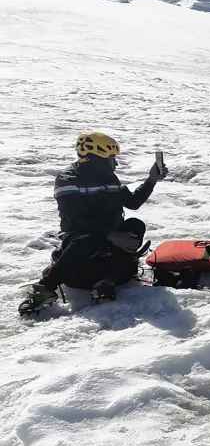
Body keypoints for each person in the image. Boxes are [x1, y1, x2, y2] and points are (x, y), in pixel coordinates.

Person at [18, 132, 167, 315]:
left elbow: (133, 202)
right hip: (81, 242)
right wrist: (109, 235)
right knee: (85, 239)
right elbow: (75, 221)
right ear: (95, 159)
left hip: (110, 240)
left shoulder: (109, 178)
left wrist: (151, 180)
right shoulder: (68, 179)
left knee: (135, 225)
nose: (115, 163)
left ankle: (106, 283)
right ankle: (45, 288)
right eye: (111, 159)